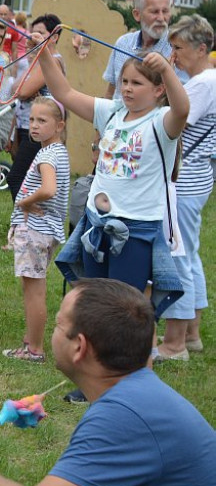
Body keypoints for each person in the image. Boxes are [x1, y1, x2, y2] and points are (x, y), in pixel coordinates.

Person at [0, 278, 216, 486]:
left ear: (79, 347)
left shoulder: (122, 418)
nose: (53, 332)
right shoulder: (138, 388)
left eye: (57, 324)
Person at [40, 35, 188, 314]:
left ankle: (134, 357)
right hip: (97, 224)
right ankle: (97, 355)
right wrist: (45, 53)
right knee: (94, 301)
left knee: (124, 307)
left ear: (158, 90)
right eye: (125, 82)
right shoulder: (113, 112)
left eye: (137, 83)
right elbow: (65, 94)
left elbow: (183, 109)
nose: (128, 89)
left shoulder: (161, 121)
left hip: (136, 231)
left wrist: (168, 71)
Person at [157, 14, 216, 360]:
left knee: (179, 255)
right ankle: (191, 333)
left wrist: (163, 74)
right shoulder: (206, 80)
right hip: (197, 177)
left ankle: (177, 341)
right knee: (189, 253)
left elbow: (172, 121)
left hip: (186, 179)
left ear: (201, 48)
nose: (174, 55)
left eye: (178, 48)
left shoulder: (203, 84)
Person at [2, 97, 69, 361]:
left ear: (59, 125)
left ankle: (35, 350)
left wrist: (25, 201)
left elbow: (49, 189)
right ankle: (31, 341)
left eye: (42, 121)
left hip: (35, 229)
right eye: (31, 119)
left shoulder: (48, 155)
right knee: (33, 286)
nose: (34, 126)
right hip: (46, 229)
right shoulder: (57, 151)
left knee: (33, 290)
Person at [6, 14, 63, 204]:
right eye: (32, 33)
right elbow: (16, 92)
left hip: (41, 129)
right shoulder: (37, 60)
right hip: (25, 124)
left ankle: (25, 221)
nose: (33, 37)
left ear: (54, 37)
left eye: (40, 33)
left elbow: (22, 91)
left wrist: (23, 87)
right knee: (27, 179)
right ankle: (25, 223)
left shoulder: (51, 61)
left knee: (16, 178)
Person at [103, 0, 181, 101]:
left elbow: (183, 102)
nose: (161, 18)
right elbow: (112, 91)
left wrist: (167, 74)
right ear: (137, 15)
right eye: (154, 12)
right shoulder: (123, 43)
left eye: (165, 11)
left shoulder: (178, 49)